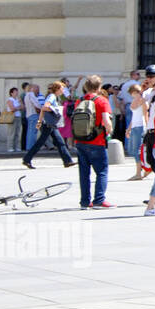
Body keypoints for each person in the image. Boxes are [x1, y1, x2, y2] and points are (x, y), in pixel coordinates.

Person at [73, 75, 115, 209]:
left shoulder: (79, 100)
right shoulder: (102, 100)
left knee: (84, 173)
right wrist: (110, 131)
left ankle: (85, 202)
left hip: (80, 140)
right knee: (102, 171)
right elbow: (107, 121)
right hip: (97, 141)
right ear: (99, 87)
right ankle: (99, 199)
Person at [22, 81, 75, 169]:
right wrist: (56, 109)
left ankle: (67, 161)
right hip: (48, 123)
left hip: (51, 123)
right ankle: (27, 159)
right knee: (42, 142)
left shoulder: (54, 97)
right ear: (58, 89)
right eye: (62, 88)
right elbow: (46, 107)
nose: (63, 90)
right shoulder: (52, 96)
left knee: (60, 142)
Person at [24, 83, 42, 152]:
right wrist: (41, 108)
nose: (38, 91)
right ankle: (31, 147)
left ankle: (29, 146)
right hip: (34, 114)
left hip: (29, 115)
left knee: (30, 131)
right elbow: (36, 104)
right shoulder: (31, 95)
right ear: (33, 88)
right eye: (37, 89)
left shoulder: (26, 95)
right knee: (33, 131)